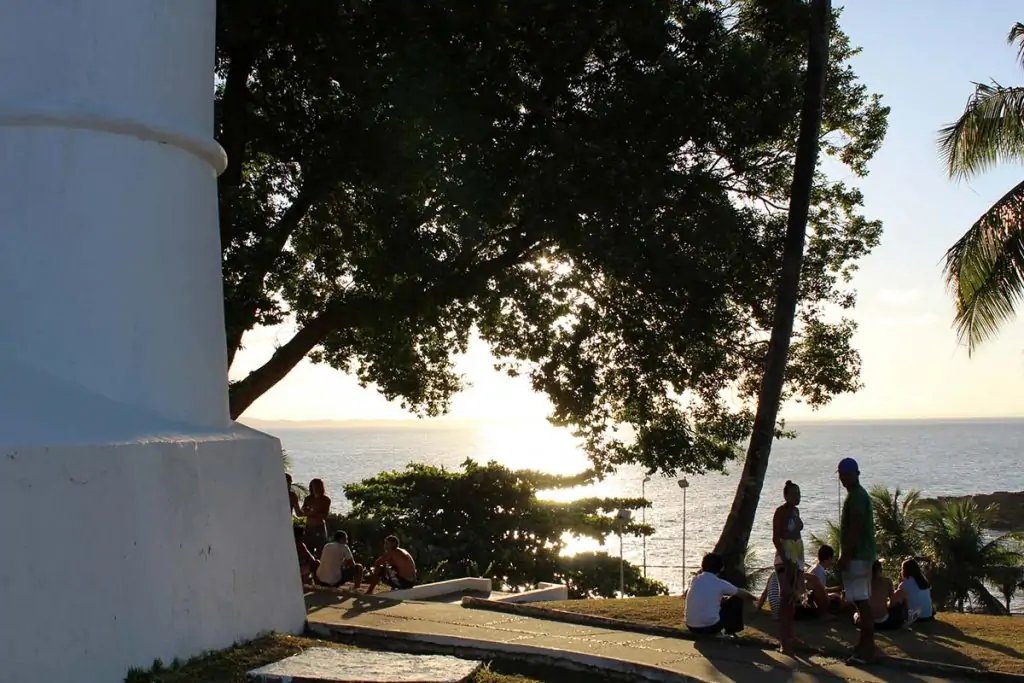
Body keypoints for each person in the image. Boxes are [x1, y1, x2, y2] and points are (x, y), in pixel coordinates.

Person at [837, 457, 878, 664]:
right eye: (841, 475)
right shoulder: (856, 495)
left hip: (858, 556)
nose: (843, 479)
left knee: (862, 602)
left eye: (846, 474)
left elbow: (856, 526)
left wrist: (846, 555)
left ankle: (868, 649)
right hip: (861, 555)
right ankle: (864, 644)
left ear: (856, 473)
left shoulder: (856, 497)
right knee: (860, 601)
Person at [684, 553, 756, 636]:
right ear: (721, 568)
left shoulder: (695, 580)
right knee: (737, 598)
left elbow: (705, 597)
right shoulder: (720, 583)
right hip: (710, 627)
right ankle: (731, 631)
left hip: (691, 626)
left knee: (724, 601)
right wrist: (755, 599)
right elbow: (743, 594)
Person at [772, 480, 806, 655]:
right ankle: (783, 641)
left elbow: (797, 530)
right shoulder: (780, 512)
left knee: (794, 597)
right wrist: (785, 559)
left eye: (799, 494)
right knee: (785, 598)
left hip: (797, 552)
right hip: (786, 554)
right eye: (794, 494)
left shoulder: (795, 511)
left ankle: (790, 635)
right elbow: (776, 537)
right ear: (786, 496)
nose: (797, 497)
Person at [861, 560, 905, 631]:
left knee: (856, 613)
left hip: (868, 622)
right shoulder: (887, 581)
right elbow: (892, 602)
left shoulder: (862, 582)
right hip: (885, 621)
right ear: (880, 570)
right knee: (898, 606)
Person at [893, 558, 934, 624]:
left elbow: (895, 601)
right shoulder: (924, 582)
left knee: (899, 597)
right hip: (928, 615)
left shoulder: (904, 584)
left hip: (915, 617)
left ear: (904, 571)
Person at [301, 478, 331, 557]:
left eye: (318, 486)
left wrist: (312, 513)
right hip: (309, 527)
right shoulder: (308, 499)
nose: (316, 488)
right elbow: (303, 510)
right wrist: (311, 513)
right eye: (314, 486)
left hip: (319, 527)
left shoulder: (326, 500)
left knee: (321, 550)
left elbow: (324, 516)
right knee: (308, 550)